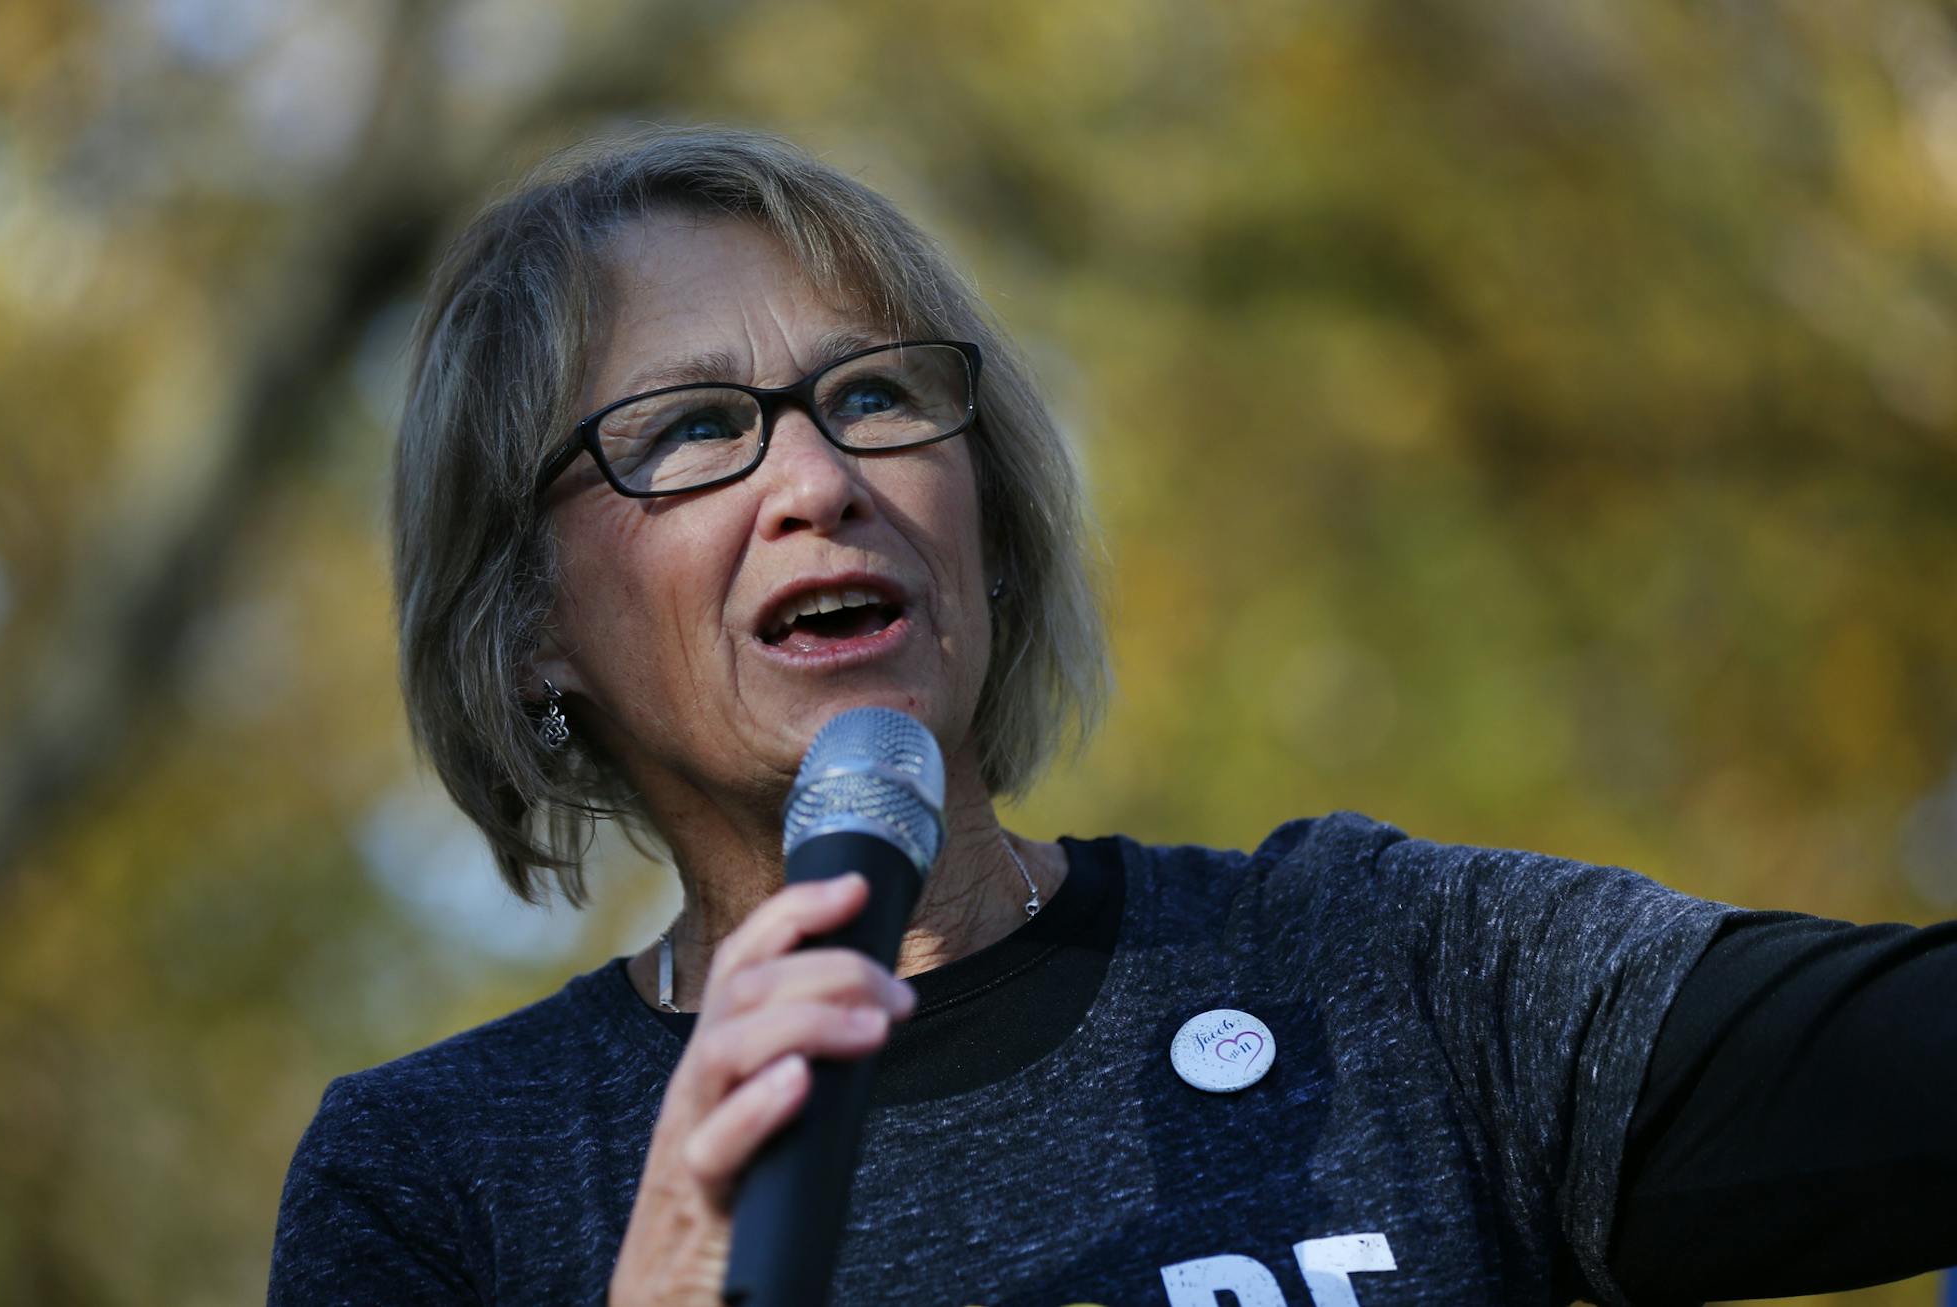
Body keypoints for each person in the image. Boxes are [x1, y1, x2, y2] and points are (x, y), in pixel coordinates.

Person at [269, 126, 1956, 1306]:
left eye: (873, 394)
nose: (821, 479)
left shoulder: (1377, 975)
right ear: (528, 628)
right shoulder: (439, 1184)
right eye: (696, 428)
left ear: (986, 526)